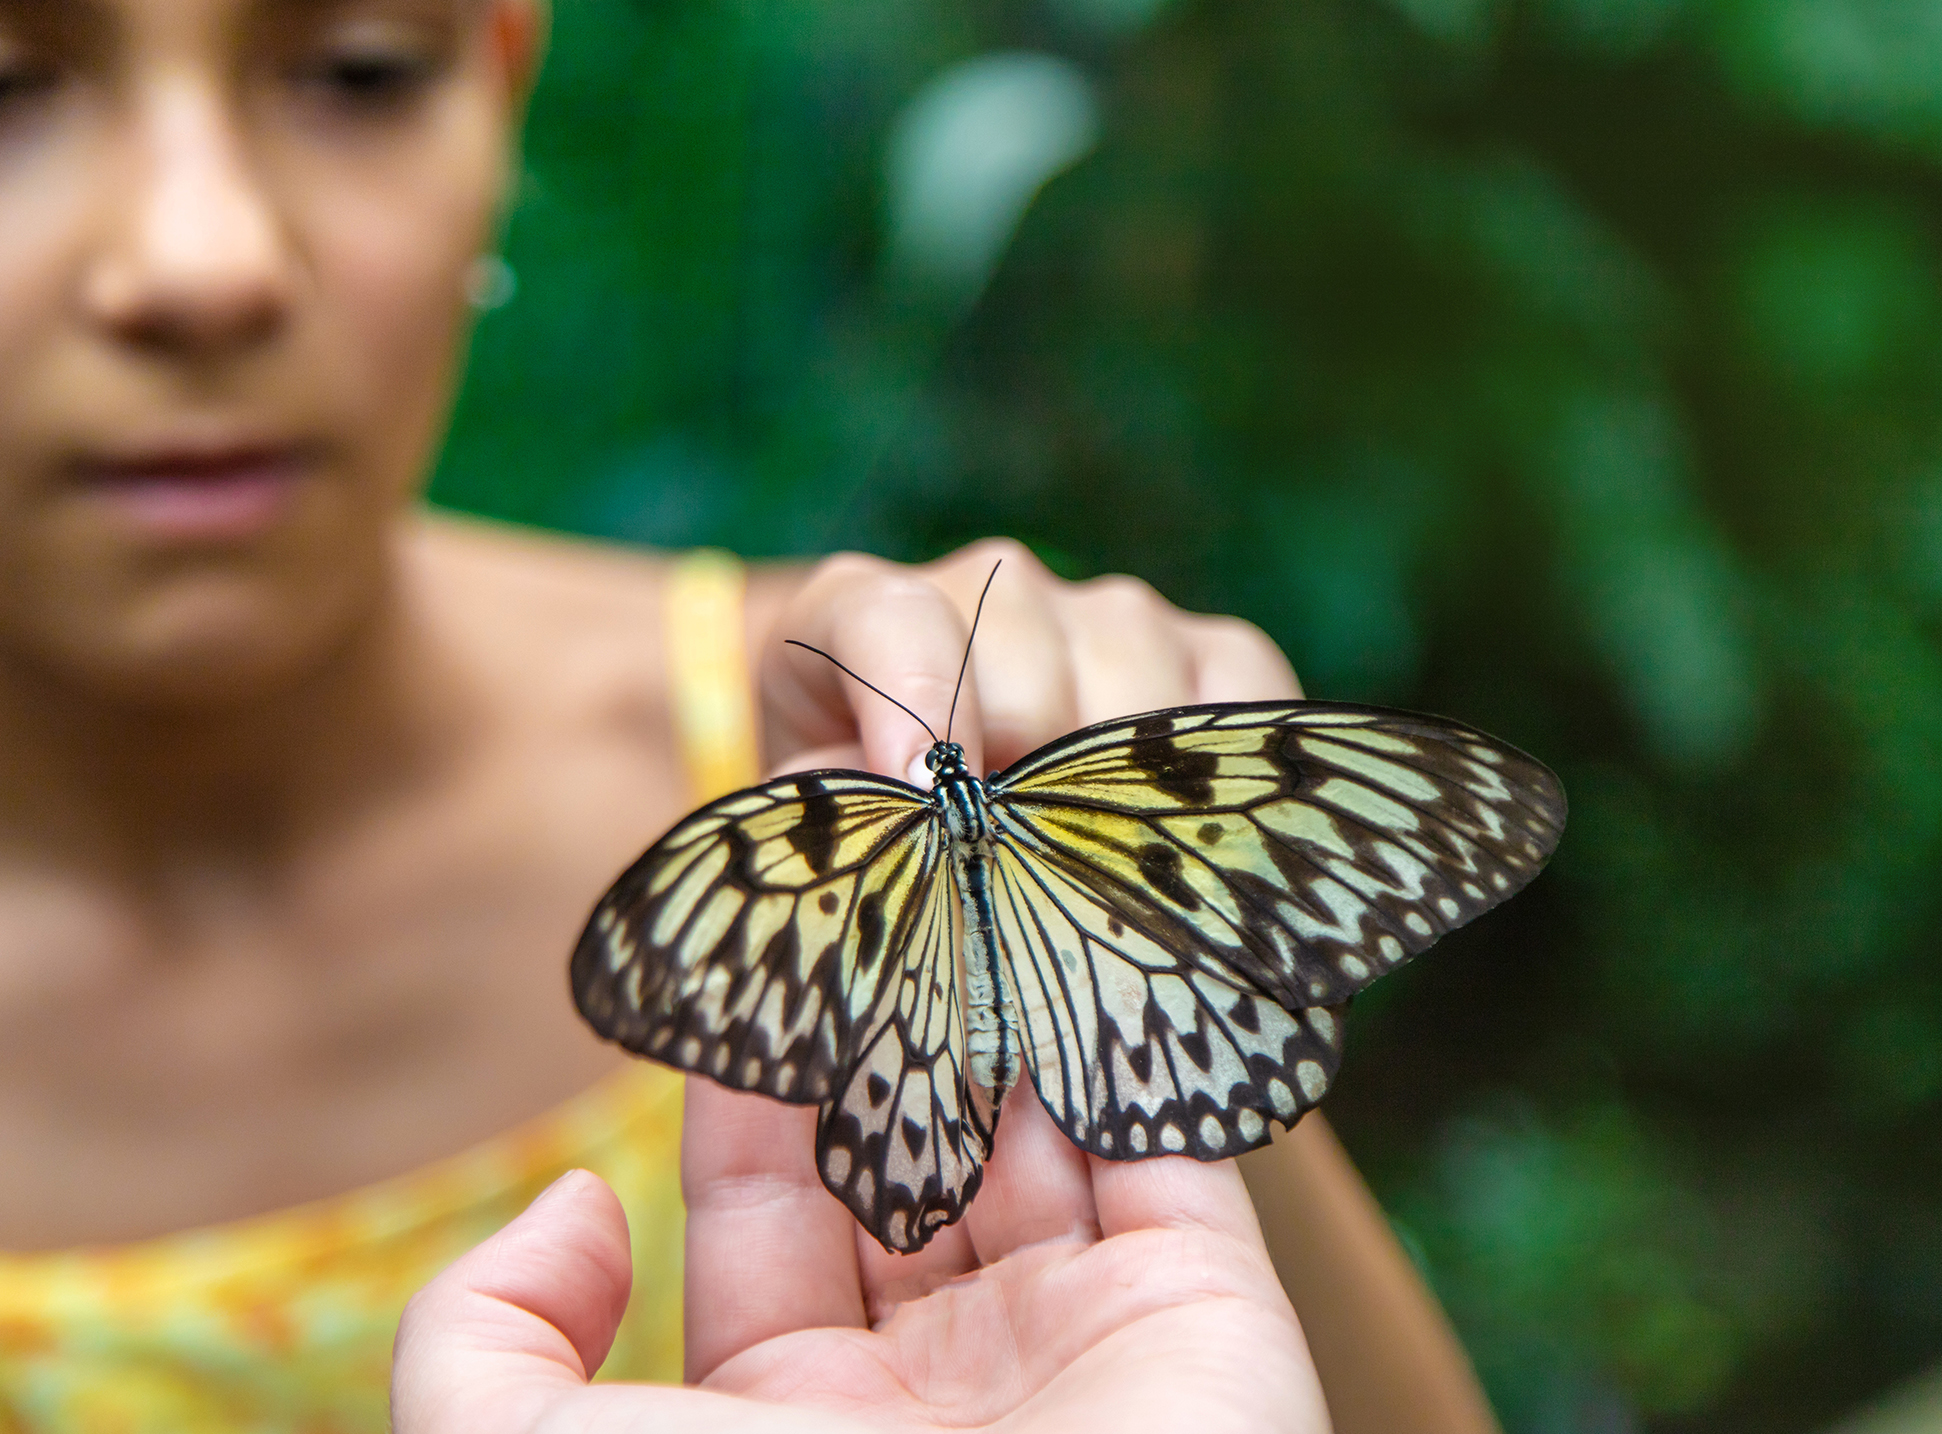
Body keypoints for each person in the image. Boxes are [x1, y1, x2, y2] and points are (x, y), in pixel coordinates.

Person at [0, 1, 1497, 1430]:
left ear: (502, 95)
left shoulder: (835, 733)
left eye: (360, 72)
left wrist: (1149, 920)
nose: (205, 260)